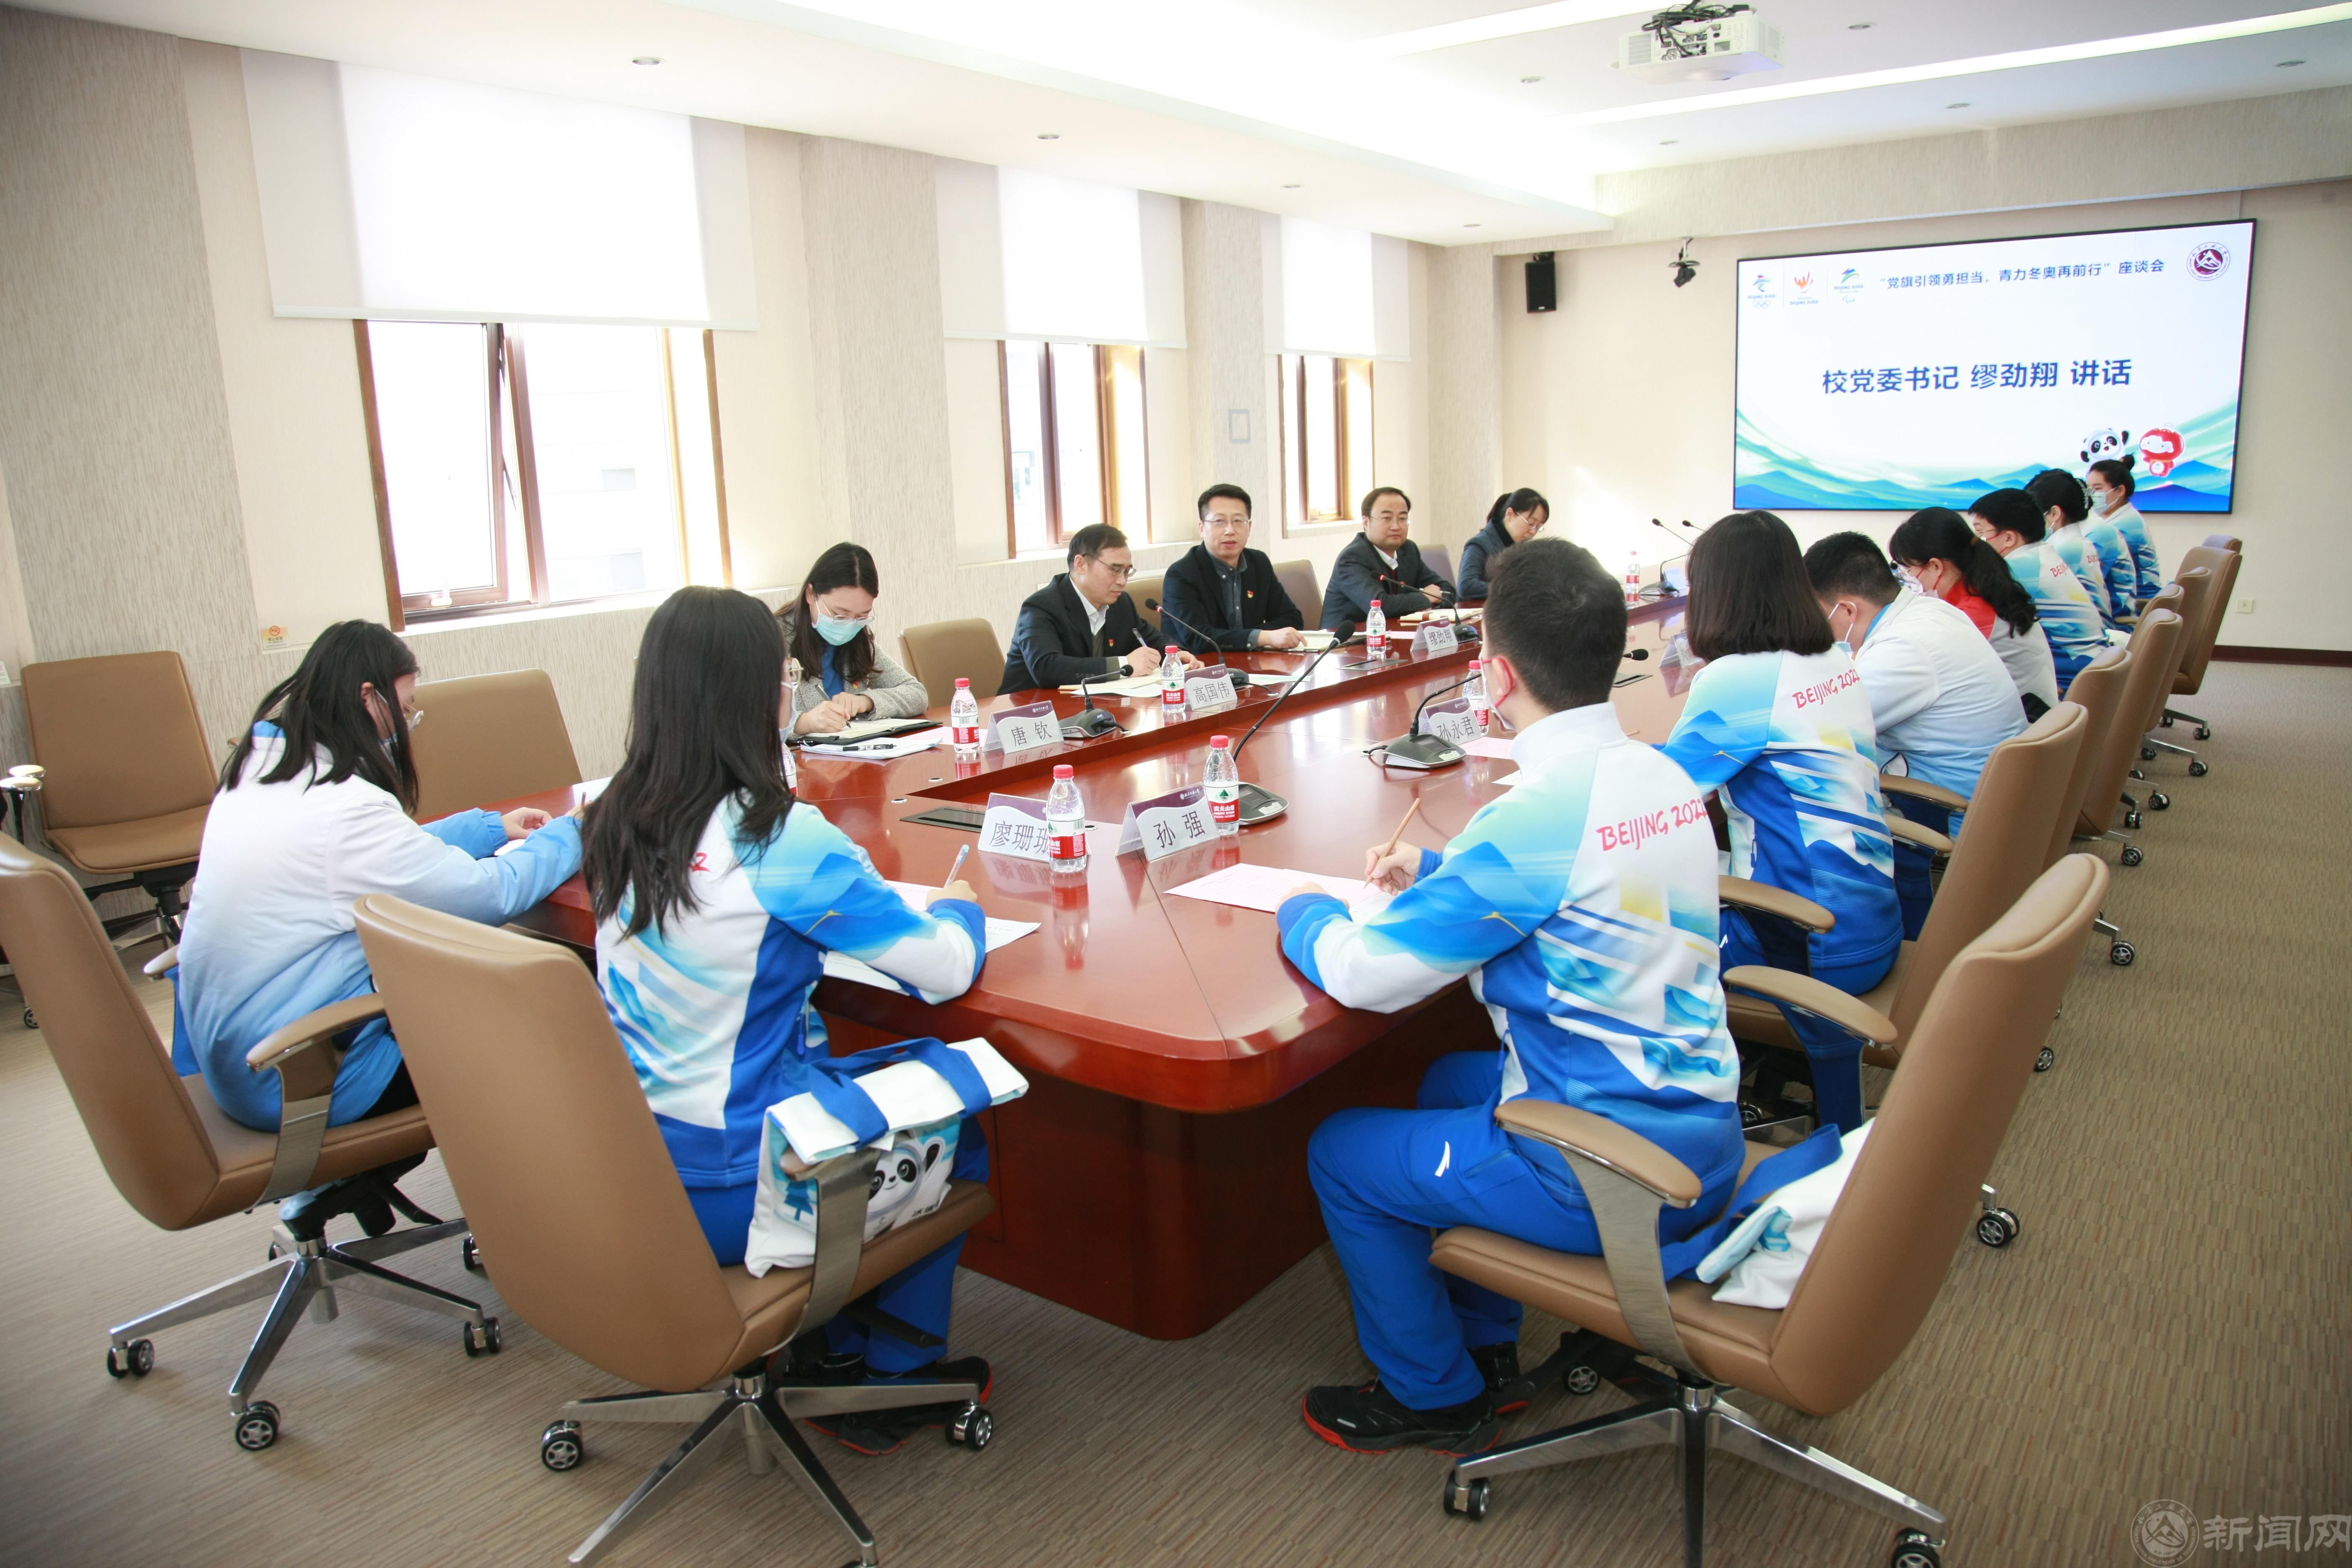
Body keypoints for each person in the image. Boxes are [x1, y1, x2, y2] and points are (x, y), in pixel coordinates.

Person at [1280, 537, 1740, 1456]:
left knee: (1340, 1150)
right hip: (1702, 1129)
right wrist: (1442, 872)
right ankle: (1487, 1343)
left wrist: (1304, 911)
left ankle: (1434, 1395)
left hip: (1609, 1169)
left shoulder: (1536, 816)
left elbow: (1365, 975)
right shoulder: (1657, 773)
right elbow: (1589, 884)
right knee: (1449, 1077)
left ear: (1494, 675)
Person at [583, 586, 993, 1456]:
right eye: (782, 678)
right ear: (754, 696)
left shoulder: (613, 814)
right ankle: (889, 1379)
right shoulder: (779, 838)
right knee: (960, 1115)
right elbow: (946, 970)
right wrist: (960, 904)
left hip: (626, 1168)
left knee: (847, 1071)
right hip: (738, 1184)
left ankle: (831, 1338)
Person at [173, 620, 582, 1238]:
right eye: (407, 709)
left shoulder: (264, 772)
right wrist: (576, 832)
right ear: (369, 698)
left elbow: (376, 854)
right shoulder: (341, 810)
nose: (406, 726)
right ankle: (547, 1227)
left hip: (235, 1058)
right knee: (548, 1022)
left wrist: (488, 828)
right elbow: (489, 895)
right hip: (303, 1075)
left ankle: (358, 1178)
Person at [1658, 511, 1899, 1133]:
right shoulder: (1834, 658)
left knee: (1625, 931)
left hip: (1808, 944)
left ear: (1715, 594)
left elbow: (1656, 802)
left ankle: (1676, 1123)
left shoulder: (1739, 679)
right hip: (1870, 920)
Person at [1804, 531, 2025, 939]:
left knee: (1795, 797)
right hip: (1996, 797)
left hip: (1949, 810)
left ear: (1847, 609)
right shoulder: (1930, 613)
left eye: (1818, 616)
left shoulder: (1904, 649)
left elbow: (1818, 731)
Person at [1888, 506, 2060, 722]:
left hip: (2025, 725)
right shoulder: (1983, 586)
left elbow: (1915, 677)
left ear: (1935, 566)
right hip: (2033, 714)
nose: (1907, 580)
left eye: (1908, 571)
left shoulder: (1971, 611)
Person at [1000, 523, 1198, 691]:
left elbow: (1149, 638)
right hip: (1032, 713)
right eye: (1115, 570)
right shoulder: (1041, 607)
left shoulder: (1121, 604)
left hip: (1092, 708)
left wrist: (1174, 655)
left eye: (1127, 572)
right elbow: (1046, 669)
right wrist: (1124, 665)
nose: (1122, 581)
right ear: (1081, 565)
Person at [776, 542, 930, 734]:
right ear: (810, 594)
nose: (849, 625)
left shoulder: (858, 636)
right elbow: (751, 721)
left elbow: (917, 694)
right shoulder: (774, 639)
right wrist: (804, 722)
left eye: (861, 616)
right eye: (840, 615)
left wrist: (865, 701)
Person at [1969, 487, 2105, 691]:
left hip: (2071, 679)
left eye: (1980, 533)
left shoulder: (2017, 568)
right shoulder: (2043, 554)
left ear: (2009, 538)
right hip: (2090, 667)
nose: (1975, 541)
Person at [1158, 484, 1307, 654]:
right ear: (1202, 528)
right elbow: (1200, 639)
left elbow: (1292, 619)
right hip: (1200, 666)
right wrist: (1260, 637)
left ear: (1249, 527)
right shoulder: (1182, 574)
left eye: (1238, 521)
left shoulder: (1258, 563)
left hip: (1251, 662)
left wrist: (1247, 638)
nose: (1230, 531)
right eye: (1219, 522)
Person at [1320, 487, 1455, 633]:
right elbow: (1381, 606)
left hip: (1396, 636)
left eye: (1402, 519)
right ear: (1366, 522)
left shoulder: (1408, 550)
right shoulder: (1351, 559)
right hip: (1351, 642)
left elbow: (1447, 591)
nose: (1396, 526)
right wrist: (1426, 598)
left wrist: (1433, 603)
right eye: (1387, 518)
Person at [2027, 468, 2133, 631]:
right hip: (2101, 629)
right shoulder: (2076, 541)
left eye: (2034, 514)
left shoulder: (2064, 548)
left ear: (2055, 513)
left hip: (2103, 629)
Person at [2088, 456, 2162, 604]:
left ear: (2120, 490)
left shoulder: (2126, 525)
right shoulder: (2117, 517)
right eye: (2089, 489)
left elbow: (2093, 571)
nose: (2091, 495)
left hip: (2140, 602)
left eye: (2098, 489)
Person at [1456, 488, 1548, 600]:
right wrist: (1514, 589)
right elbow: (1466, 586)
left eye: (1538, 527)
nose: (1533, 532)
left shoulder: (1523, 549)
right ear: (1510, 514)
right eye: (1531, 523)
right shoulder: (1479, 544)